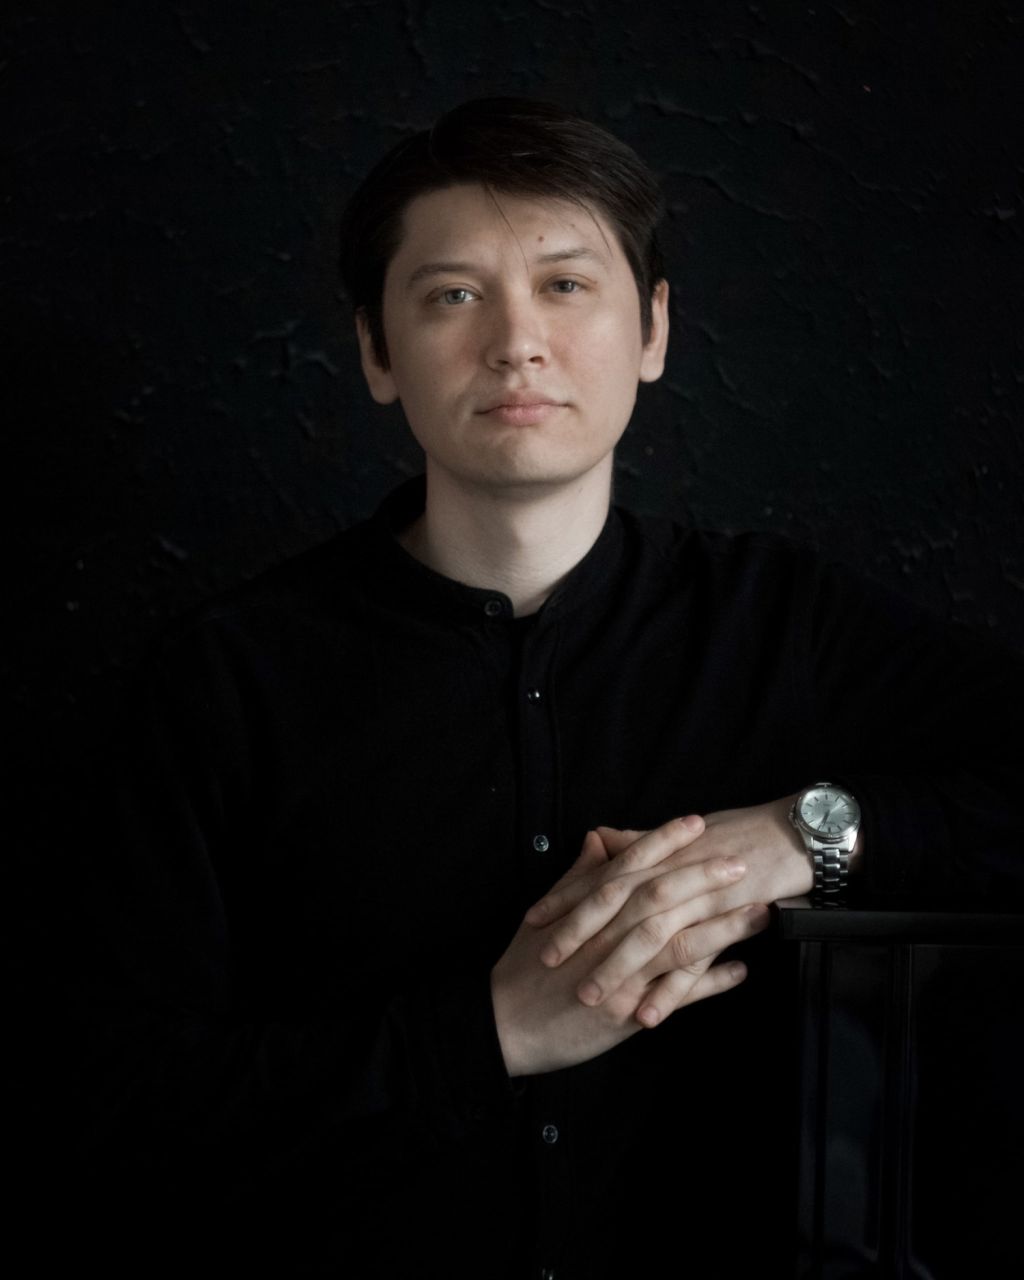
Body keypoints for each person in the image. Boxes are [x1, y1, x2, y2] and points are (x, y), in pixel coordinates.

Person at [54, 97, 1020, 1277]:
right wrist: (493, 1031)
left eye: (565, 285)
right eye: (453, 295)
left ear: (653, 329)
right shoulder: (225, 678)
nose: (517, 342)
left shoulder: (783, 622)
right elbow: (106, 1105)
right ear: (374, 351)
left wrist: (799, 838)